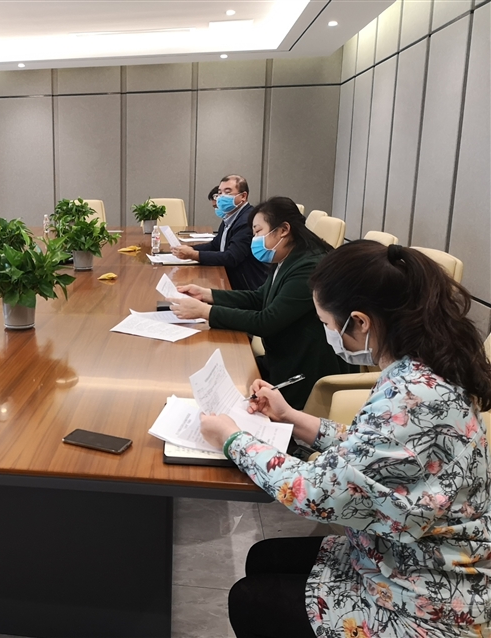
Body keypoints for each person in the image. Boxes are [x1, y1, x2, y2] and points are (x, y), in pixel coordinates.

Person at [199, 241, 491, 638]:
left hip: (429, 596)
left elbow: (314, 493)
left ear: (360, 322)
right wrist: (290, 417)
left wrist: (232, 439)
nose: (327, 334)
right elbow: (367, 448)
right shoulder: (422, 366)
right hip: (403, 552)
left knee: (250, 598)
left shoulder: (414, 396)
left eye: (326, 323)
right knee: (265, 557)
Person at [170, 196, 350, 409]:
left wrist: (206, 312)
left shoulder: (308, 267)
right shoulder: (287, 256)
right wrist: (208, 294)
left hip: (303, 370)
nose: (254, 239)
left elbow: (267, 322)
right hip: (282, 357)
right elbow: (259, 297)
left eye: (258, 231)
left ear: (283, 230)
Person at [171, 175, 268, 291]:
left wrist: (193, 255)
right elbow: (215, 245)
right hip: (232, 277)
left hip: (245, 285)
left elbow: (231, 257)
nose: (221, 197)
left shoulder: (246, 220)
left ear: (243, 196)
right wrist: (190, 249)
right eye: (220, 193)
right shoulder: (231, 216)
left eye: (227, 192)